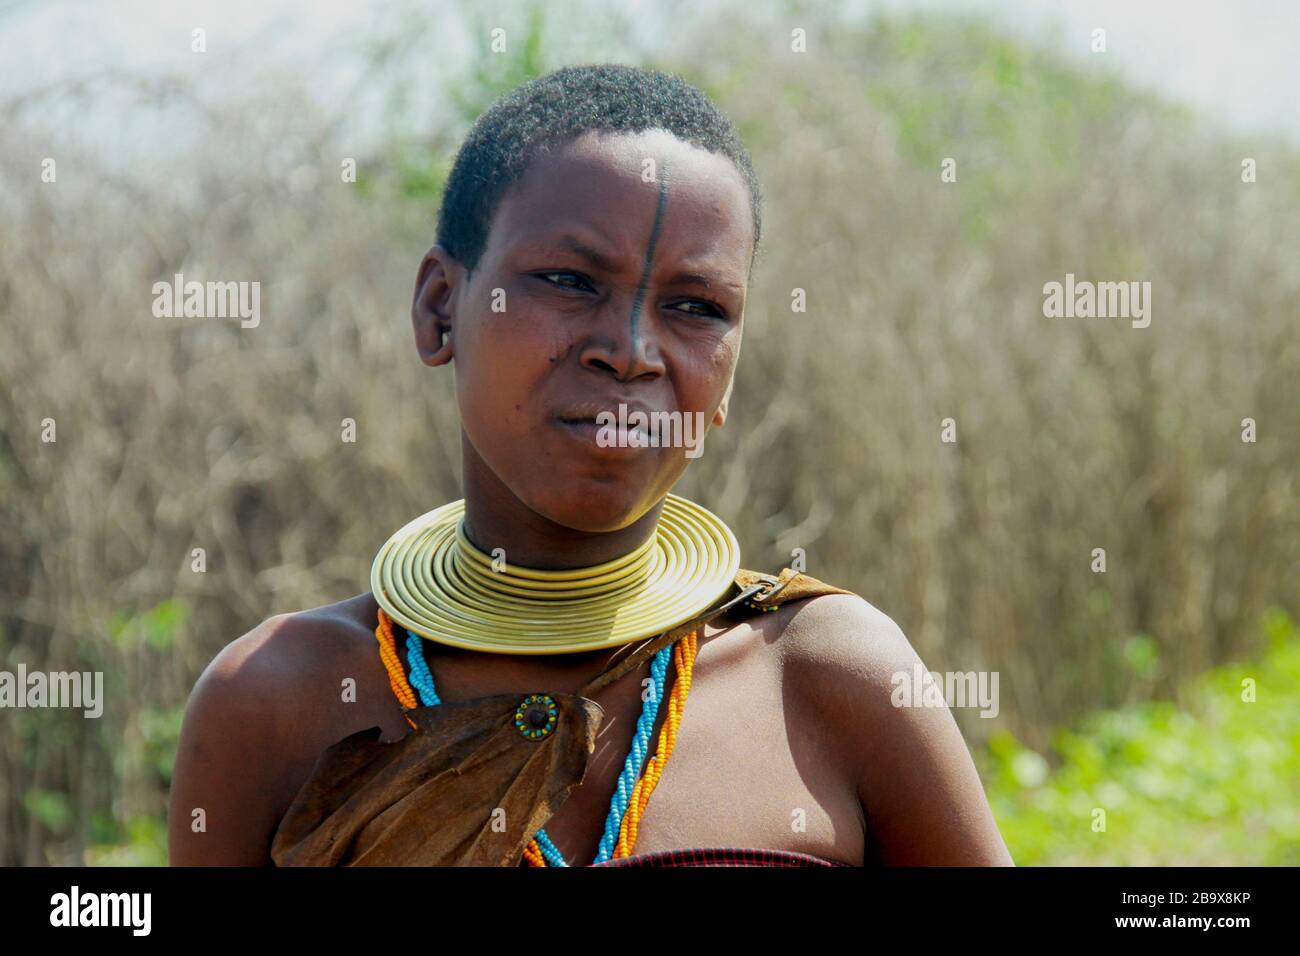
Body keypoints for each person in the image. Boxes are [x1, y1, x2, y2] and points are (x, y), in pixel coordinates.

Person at [167, 63, 1014, 867]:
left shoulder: (824, 674)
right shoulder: (274, 701)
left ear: (730, 370)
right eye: (569, 281)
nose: (632, 352)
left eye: (696, 307)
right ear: (439, 311)